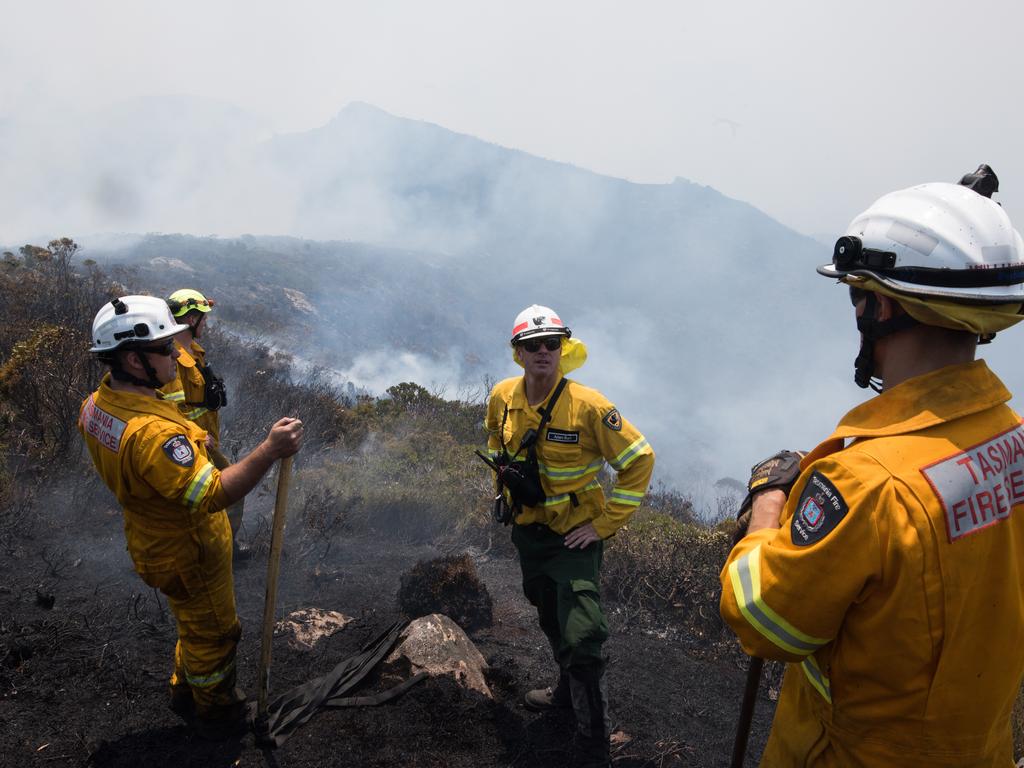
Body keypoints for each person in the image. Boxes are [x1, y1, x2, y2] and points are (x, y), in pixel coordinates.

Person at [719, 165, 1024, 766]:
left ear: (880, 306)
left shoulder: (866, 484)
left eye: (856, 291)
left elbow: (767, 622)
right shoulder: (1012, 442)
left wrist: (767, 504)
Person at [78, 295, 303, 738]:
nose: (174, 354)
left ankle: (184, 689)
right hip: (187, 547)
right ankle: (218, 709)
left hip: (150, 536)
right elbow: (213, 493)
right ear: (134, 360)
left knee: (193, 620)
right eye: (164, 348)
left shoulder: (99, 405)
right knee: (217, 632)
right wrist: (270, 450)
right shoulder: (155, 435)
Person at [484, 304, 655, 768]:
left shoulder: (589, 406)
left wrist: (601, 526)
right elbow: (497, 443)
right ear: (518, 353)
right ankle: (565, 695)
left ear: (563, 348)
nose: (543, 351)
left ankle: (593, 746)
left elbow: (640, 461)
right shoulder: (502, 395)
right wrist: (505, 487)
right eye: (532, 345)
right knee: (551, 617)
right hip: (530, 534)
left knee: (583, 635)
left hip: (574, 540)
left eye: (552, 343)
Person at [159, 288, 248, 562]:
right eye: (203, 317)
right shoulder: (171, 359)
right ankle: (220, 552)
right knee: (231, 489)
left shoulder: (193, 352)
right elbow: (168, 409)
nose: (206, 323)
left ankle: (203, 546)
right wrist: (196, 437)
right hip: (192, 443)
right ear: (190, 320)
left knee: (200, 502)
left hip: (205, 439)